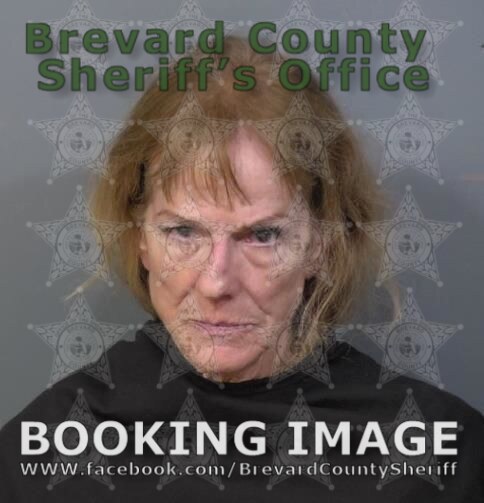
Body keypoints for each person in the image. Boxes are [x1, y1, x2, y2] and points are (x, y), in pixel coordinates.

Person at [1, 37, 483, 502]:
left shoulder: (443, 460)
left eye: (263, 235)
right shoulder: (42, 454)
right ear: (139, 237)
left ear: (322, 242)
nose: (216, 283)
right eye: (183, 232)